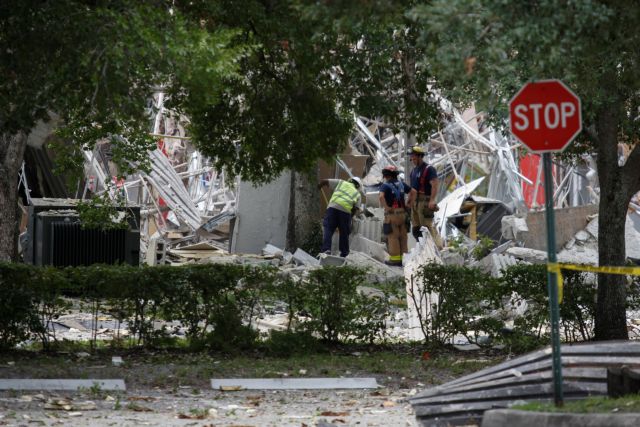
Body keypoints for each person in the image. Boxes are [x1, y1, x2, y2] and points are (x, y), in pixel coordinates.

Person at [318, 176, 364, 257]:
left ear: (350, 180)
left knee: (328, 229)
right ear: (358, 186)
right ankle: (344, 254)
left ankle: (326, 250)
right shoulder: (358, 194)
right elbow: (355, 209)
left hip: (332, 208)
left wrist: (319, 186)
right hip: (345, 212)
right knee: (344, 233)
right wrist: (349, 219)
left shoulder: (341, 182)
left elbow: (324, 180)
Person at [406, 145, 440, 244]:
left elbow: (434, 184)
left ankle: (437, 248)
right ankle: (424, 249)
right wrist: (409, 203)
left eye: (413, 156)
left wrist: (432, 200)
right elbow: (413, 189)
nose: (412, 158)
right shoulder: (413, 171)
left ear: (420, 156)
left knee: (427, 228)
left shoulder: (429, 169)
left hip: (425, 202)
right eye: (411, 156)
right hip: (415, 204)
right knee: (416, 230)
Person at [379, 165, 410, 266]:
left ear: (386, 175)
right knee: (403, 236)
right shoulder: (401, 184)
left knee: (393, 236)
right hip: (403, 213)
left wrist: (387, 208)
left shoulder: (385, 186)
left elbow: (381, 197)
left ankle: (395, 259)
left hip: (392, 214)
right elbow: (413, 192)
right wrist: (408, 204)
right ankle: (404, 259)